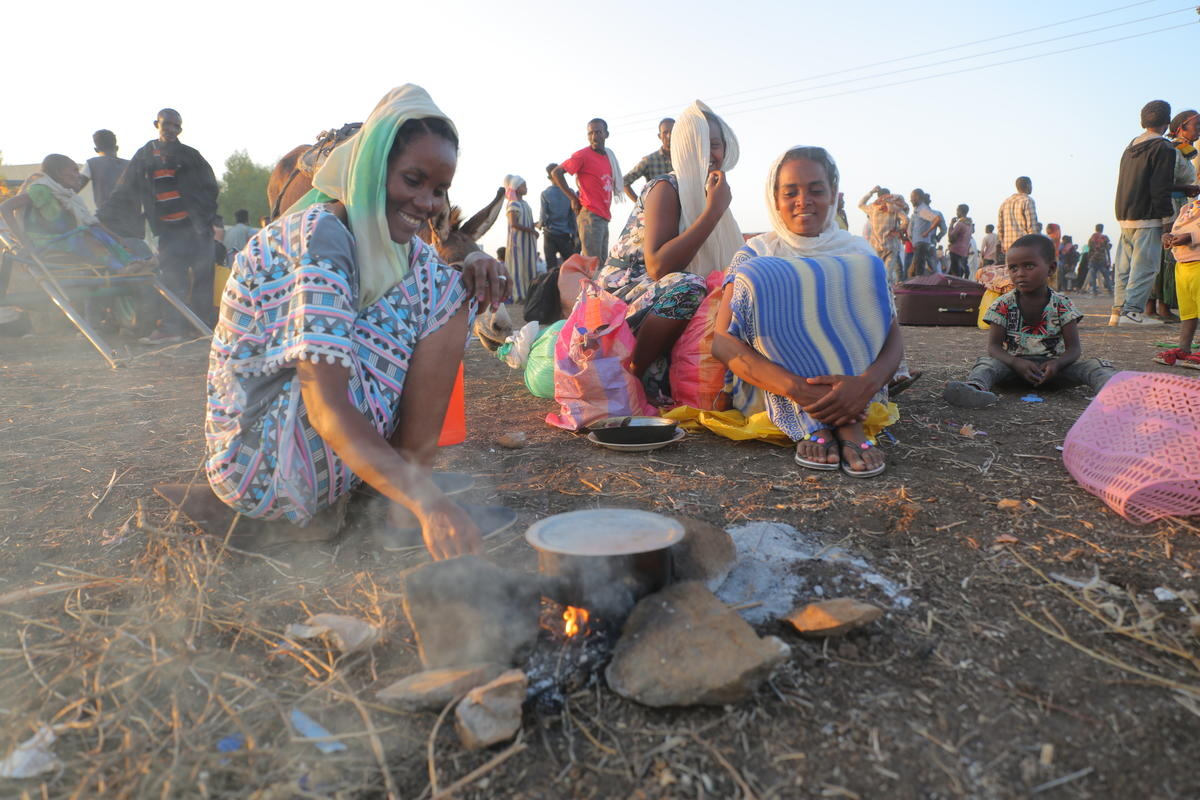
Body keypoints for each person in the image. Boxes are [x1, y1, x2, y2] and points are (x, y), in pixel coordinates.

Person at [204, 85, 507, 562]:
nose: (427, 203)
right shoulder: (319, 239)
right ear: (371, 169)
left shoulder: (391, 247)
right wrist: (431, 506)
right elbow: (325, 408)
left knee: (451, 292)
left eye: (439, 190)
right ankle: (407, 502)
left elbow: (444, 280)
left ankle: (398, 496)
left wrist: (479, 261)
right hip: (261, 463)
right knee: (443, 296)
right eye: (413, 179)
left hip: (303, 450)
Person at [713, 146, 905, 478]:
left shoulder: (858, 251)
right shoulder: (756, 252)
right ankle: (821, 421)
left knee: (864, 269)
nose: (804, 200)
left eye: (816, 190)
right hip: (776, 389)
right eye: (791, 192)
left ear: (834, 195)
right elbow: (722, 343)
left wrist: (864, 385)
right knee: (762, 275)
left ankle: (844, 423)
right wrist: (801, 391)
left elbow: (891, 335)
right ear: (775, 199)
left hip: (856, 390)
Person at [598, 101, 742, 402]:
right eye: (700, 145)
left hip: (662, 310)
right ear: (685, 148)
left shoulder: (709, 194)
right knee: (689, 286)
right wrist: (714, 211)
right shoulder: (666, 187)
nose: (709, 154)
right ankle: (631, 376)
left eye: (714, 145)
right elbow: (659, 267)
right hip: (626, 302)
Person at [944, 234, 1114, 408]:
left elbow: (1074, 349)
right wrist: (1015, 363)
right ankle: (974, 389)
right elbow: (993, 348)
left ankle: (1113, 394)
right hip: (1013, 371)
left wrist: (1057, 364)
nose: (1020, 274)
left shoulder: (1062, 304)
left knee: (1095, 365)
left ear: (1051, 268)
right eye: (1013, 268)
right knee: (986, 364)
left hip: (1055, 372)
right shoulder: (1002, 304)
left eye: (1029, 266)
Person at [98, 108, 220, 343]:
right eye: (167, 125)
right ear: (157, 124)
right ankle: (172, 328)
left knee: (203, 279)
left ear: (180, 129)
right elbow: (125, 187)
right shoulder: (144, 156)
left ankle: (200, 328)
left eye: (176, 126)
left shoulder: (190, 155)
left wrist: (204, 219)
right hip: (169, 231)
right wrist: (102, 215)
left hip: (196, 229)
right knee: (173, 279)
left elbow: (210, 188)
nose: (171, 130)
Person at [1110, 100, 1193, 327]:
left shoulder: (1132, 145)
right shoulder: (1163, 148)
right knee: (1146, 267)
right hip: (1148, 214)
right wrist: (1168, 220)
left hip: (1125, 212)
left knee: (1124, 266)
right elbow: (1160, 186)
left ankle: (1117, 312)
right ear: (1167, 122)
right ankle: (1133, 313)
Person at [0, 154, 141, 271]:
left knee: (95, 232)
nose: (78, 175)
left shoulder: (70, 196)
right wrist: (25, 243)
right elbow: (5, 207)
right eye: (74, 170)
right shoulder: (42, 189)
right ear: (58, 173)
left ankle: (132, 263)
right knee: (88, 236)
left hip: (64, 239)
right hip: (45, 242)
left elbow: (92, 223)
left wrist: (117, 238)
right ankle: (121, 268)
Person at [551, 118, 623, 261]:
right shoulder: (583, 155)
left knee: (601, 265)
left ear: (606, 134)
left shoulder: (609, 157)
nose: (594, 136)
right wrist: (572, 197)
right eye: (590, 133)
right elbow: (556, 173)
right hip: (590, 215)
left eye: (598, 132)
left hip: (603, 216)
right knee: (592, 265)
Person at [1156, 198, 1200, 368]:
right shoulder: (1186, 208)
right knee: (1188, 312)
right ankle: (1184, 348)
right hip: (1183, 266)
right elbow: (1176, 229)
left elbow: (1190, 234)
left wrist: (1191, 236)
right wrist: (1168, 237)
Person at [858, 186, 909, 284]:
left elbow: (860, 204)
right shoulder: (894, 208)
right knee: (887, 274)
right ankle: (887, 295)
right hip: (892, 246)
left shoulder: (872, 208)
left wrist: (871, 192)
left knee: (878, 274)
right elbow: (906, 220)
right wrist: (898, 230)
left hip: (877, 247)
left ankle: (878, 294)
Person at [502, 174, 537, 301]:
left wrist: (535, 225)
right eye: (524, 185)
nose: (526, 188)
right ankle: (518, 296)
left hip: (527, 244)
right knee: (518, 270)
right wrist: (532, 231)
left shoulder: (525, 204)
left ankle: (529, 295)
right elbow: (514, 224)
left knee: (527, 270)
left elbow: (525, 222)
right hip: (518, 244)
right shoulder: (513, 204)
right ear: (516, 188)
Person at [622, 118, 674, 202]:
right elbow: (624, 182)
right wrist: (641, 205)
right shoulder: (650, 160)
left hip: (684, 211)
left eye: (672, 131)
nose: (669, 136)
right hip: (658, 211)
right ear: (659, 136)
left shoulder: (687, 159)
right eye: (665, 132)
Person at [538, 163, 578, 270]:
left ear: (548, 177)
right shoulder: (570, 192)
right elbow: (573, 217)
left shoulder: (545, 194)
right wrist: (574, 235)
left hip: (550, 234)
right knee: (570, 265)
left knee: (551, 265)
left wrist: (538, 225)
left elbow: (543, 218)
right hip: (565, 235)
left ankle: (553, 286)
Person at [79, 130, 128, 208]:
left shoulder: (91, 164)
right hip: (132, 215)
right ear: (117, 148)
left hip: (106, 216)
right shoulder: (130, 164)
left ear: (96, 149)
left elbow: (76, 186)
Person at [996, 176, 1038, 258]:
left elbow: (1000, 228)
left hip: (1009, 248)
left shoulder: (1005, 202)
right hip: (1024, 246)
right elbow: (1032, 228)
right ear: (1028, 185)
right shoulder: (1027, 201)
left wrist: (1002, 245)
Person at [907, 189, 945, 277]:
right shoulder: (918, 211)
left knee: (919, 269)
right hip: (924, 243)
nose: (911, 200)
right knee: (927, 268)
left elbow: (937, 220)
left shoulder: (923, 210)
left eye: (912, 197)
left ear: (918, 198)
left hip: (923, 243)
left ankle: (920, 286)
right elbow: (943, 229)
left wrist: (927, 232)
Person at [947, 204, 973, 278]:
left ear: (960, 211)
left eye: (957, 211)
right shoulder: (970, 224)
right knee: (958, 273)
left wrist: (951, 224)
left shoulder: (960, 224)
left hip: (955, 250)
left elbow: (951, 238)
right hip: (964, 252)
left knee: (954, 274)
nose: (956, 213)